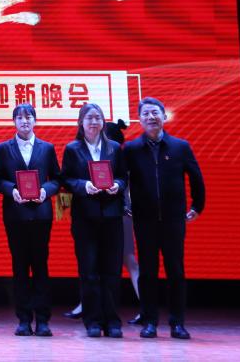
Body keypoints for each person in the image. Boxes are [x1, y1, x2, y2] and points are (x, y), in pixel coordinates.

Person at [124, 97, 205, 340]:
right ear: (140, 120)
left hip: (173, 220)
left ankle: (177, 323)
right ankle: (149, 322)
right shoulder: (131, 149)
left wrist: (197, 206)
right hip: (145, 220)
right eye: (146, 114)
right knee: (148, 272)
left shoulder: (180, 147)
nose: (151, 117)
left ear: (164, 116)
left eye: (155, 113)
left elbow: (196, 177)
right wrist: (124, 204)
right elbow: (120, 179)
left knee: (175, 271)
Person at [0, 103, 61, 336]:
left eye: (29, 117)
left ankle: (43, 320)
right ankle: (23, 319)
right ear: (14, 122)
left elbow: (57, 179)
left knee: (40, 266)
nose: (24, 121)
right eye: (20, 118)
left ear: (35, 120)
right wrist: (12, 190)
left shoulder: (47, 148)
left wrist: (45, 190)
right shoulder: (3, 148)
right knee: (20, 267)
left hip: (41, 214)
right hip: (15, 215)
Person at [60, 102, 126, 338]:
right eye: (89, 118)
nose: (94, 122)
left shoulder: (114, 148)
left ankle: (113, 322)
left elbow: (123, 177)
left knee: (112, 271)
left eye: (98, 117)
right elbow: (66, 179)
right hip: (84, 217)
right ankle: (93, 321)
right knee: (88, 271)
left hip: (112, 216)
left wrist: (117, 185)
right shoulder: (72, 149)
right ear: (81, 122)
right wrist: (84, 185)